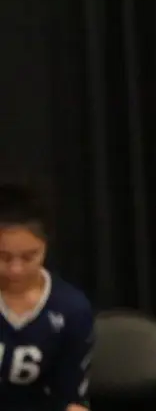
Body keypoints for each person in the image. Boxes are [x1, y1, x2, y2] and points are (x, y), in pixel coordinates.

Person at [0, 176, 93, 411]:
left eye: (29, 256)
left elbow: (73, 399)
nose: (16, 269)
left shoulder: (71, 309)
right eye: (3, 257)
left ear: (46, 246)